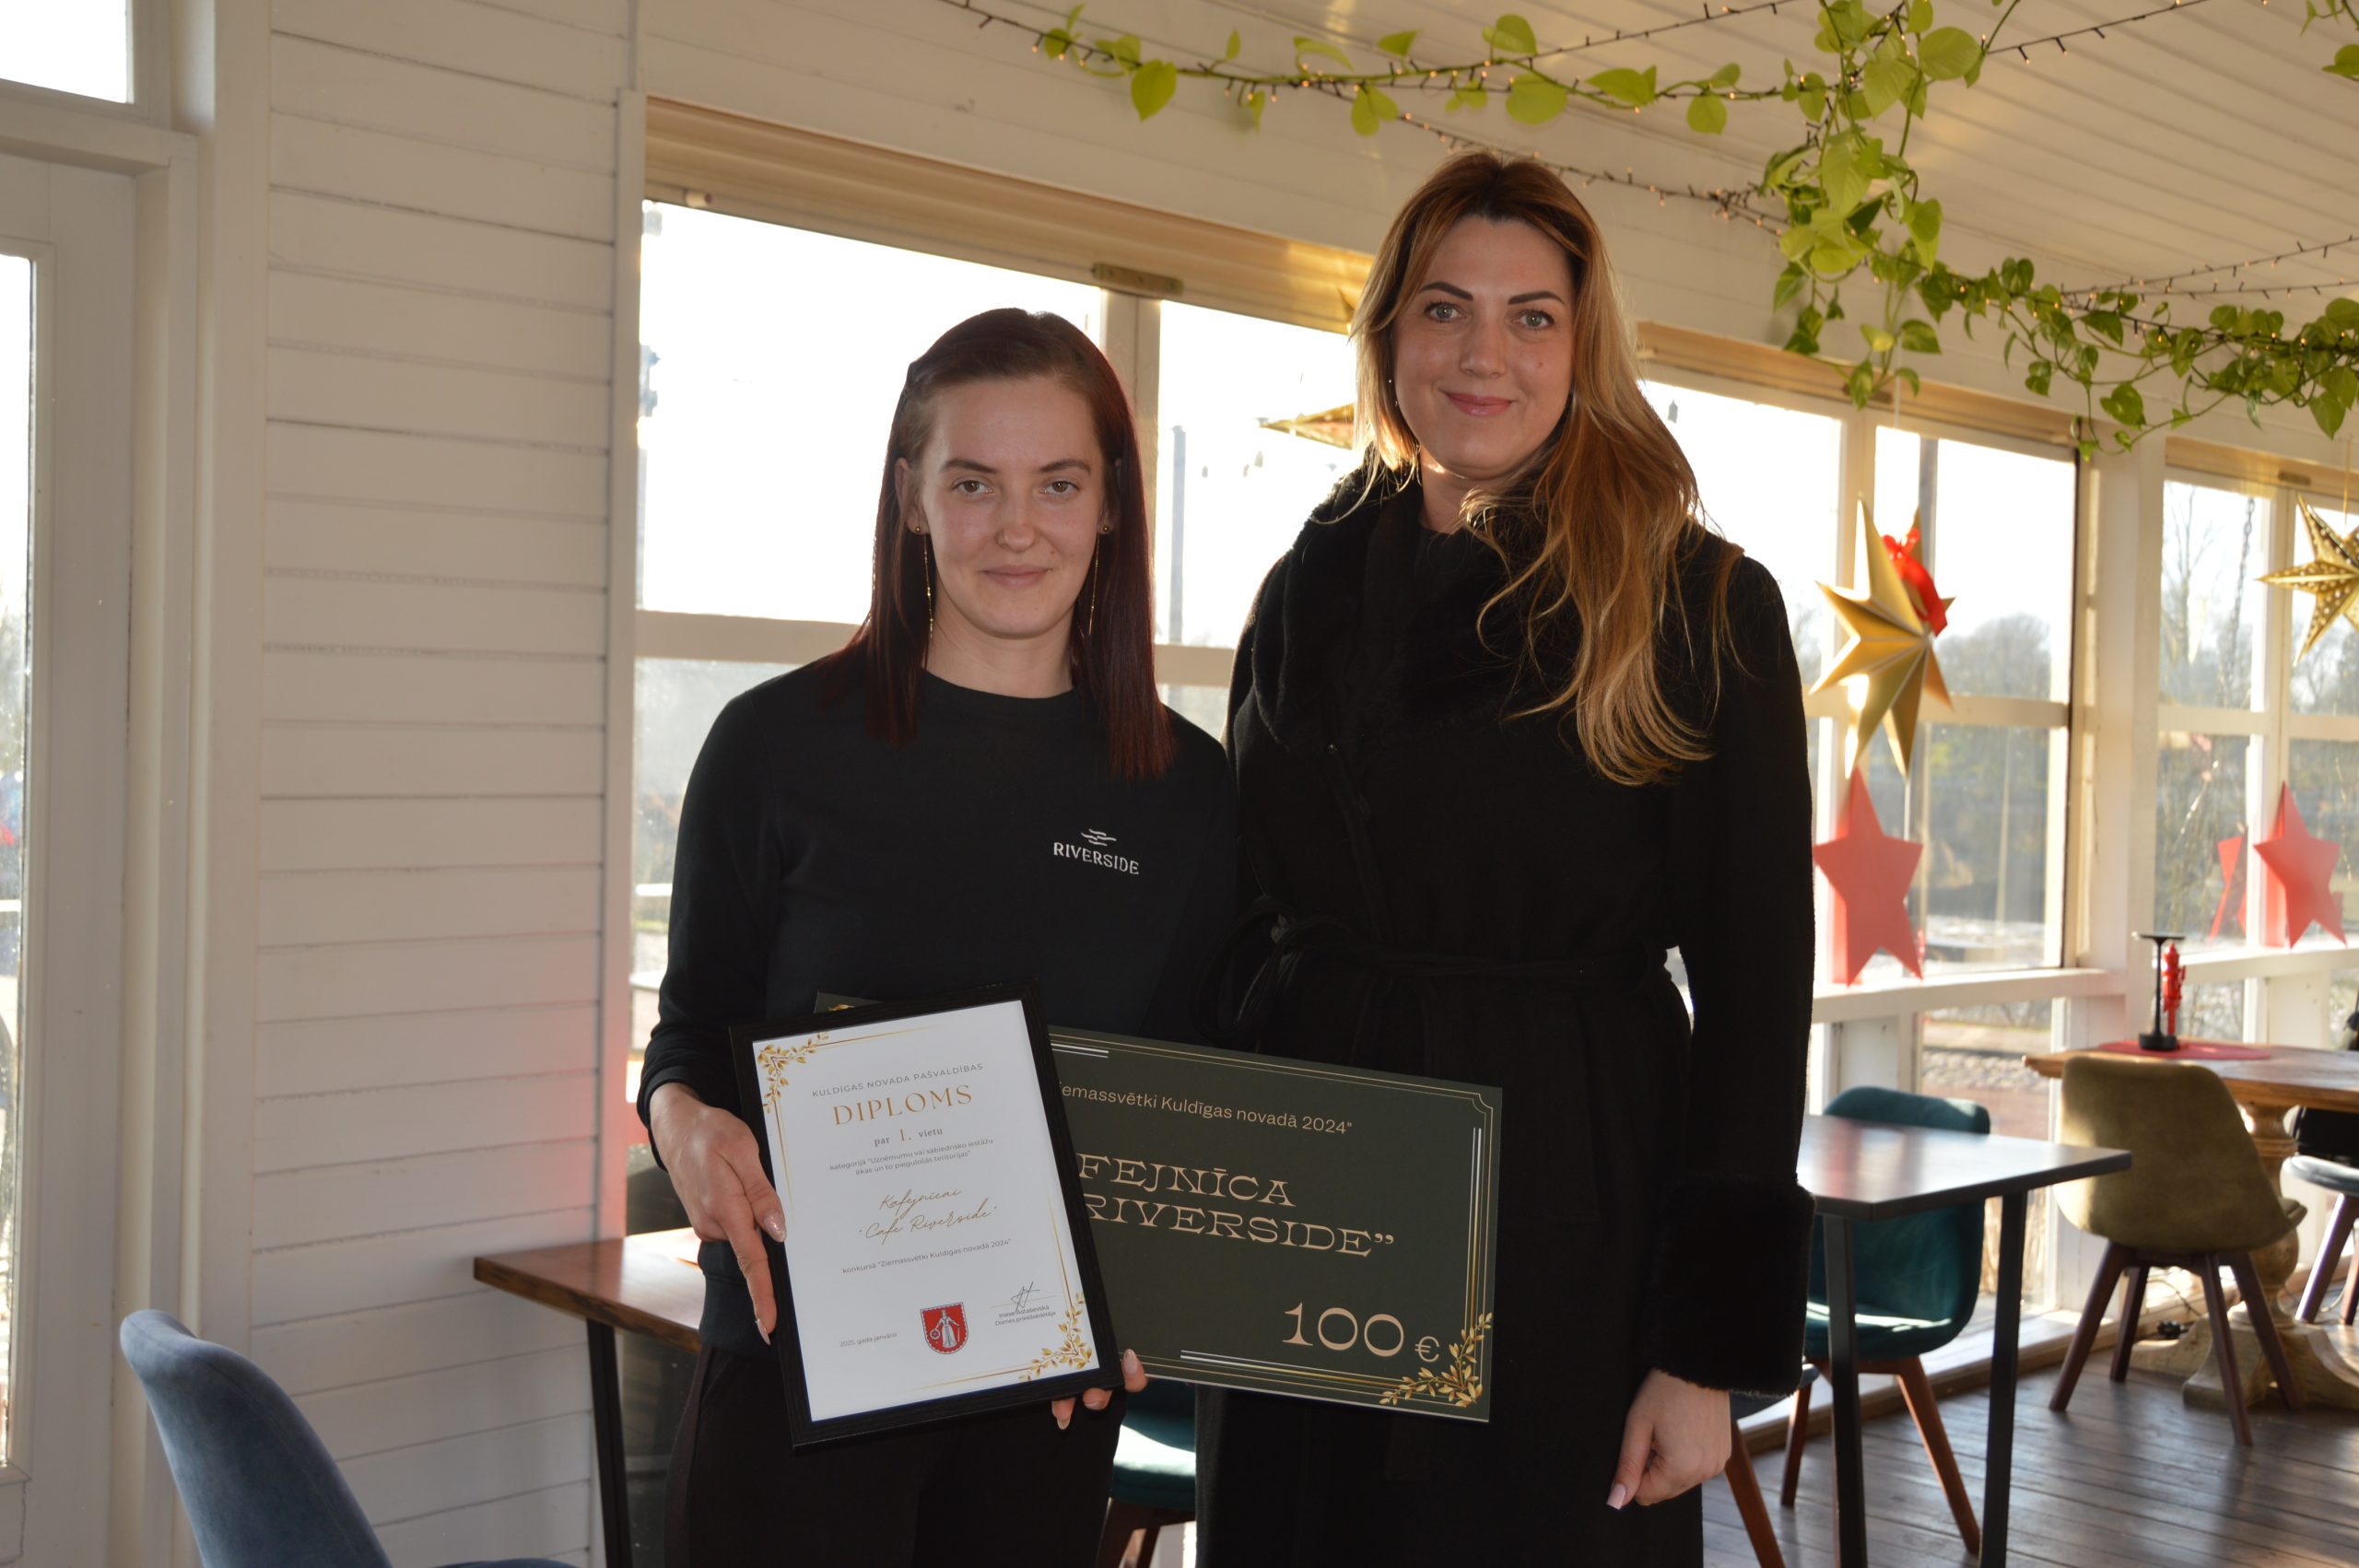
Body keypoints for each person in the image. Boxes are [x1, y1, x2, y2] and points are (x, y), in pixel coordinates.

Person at [1197, 152, 1815, 1566]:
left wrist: (1702, 1352)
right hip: (1309, 1191)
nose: (1486, 354)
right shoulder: (1301, 590)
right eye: (1445, 309)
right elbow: (1235, 911)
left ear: (1584, 346)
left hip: (1565, 1201)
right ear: (1387, 335)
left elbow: (1758, 990)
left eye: (1532, 316)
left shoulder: (1697, 599)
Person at [640, 308, 1236, 1566]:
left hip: (1045, 1398)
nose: (1017, 526)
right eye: (973, 483)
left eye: (1057, 483)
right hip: (795, 1373)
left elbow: (1185, 1094)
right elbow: (688, 1038)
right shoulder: (775, 747)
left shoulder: (1186, 793)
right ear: (911, 497)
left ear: (1110, 506)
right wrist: (684, 1129)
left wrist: (1157, 1288)